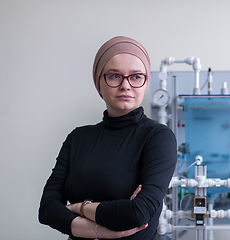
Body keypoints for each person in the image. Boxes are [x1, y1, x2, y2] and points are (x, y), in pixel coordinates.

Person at [38, 36, 177, 240]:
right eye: (114, 76)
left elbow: (138, 213)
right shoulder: (77, 138)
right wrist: (101, 230)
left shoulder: (158, 137)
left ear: (146, 83)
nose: (125, 85)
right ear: (99, 83)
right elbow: (47, 209)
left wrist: (79, 207)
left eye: (136, 76)